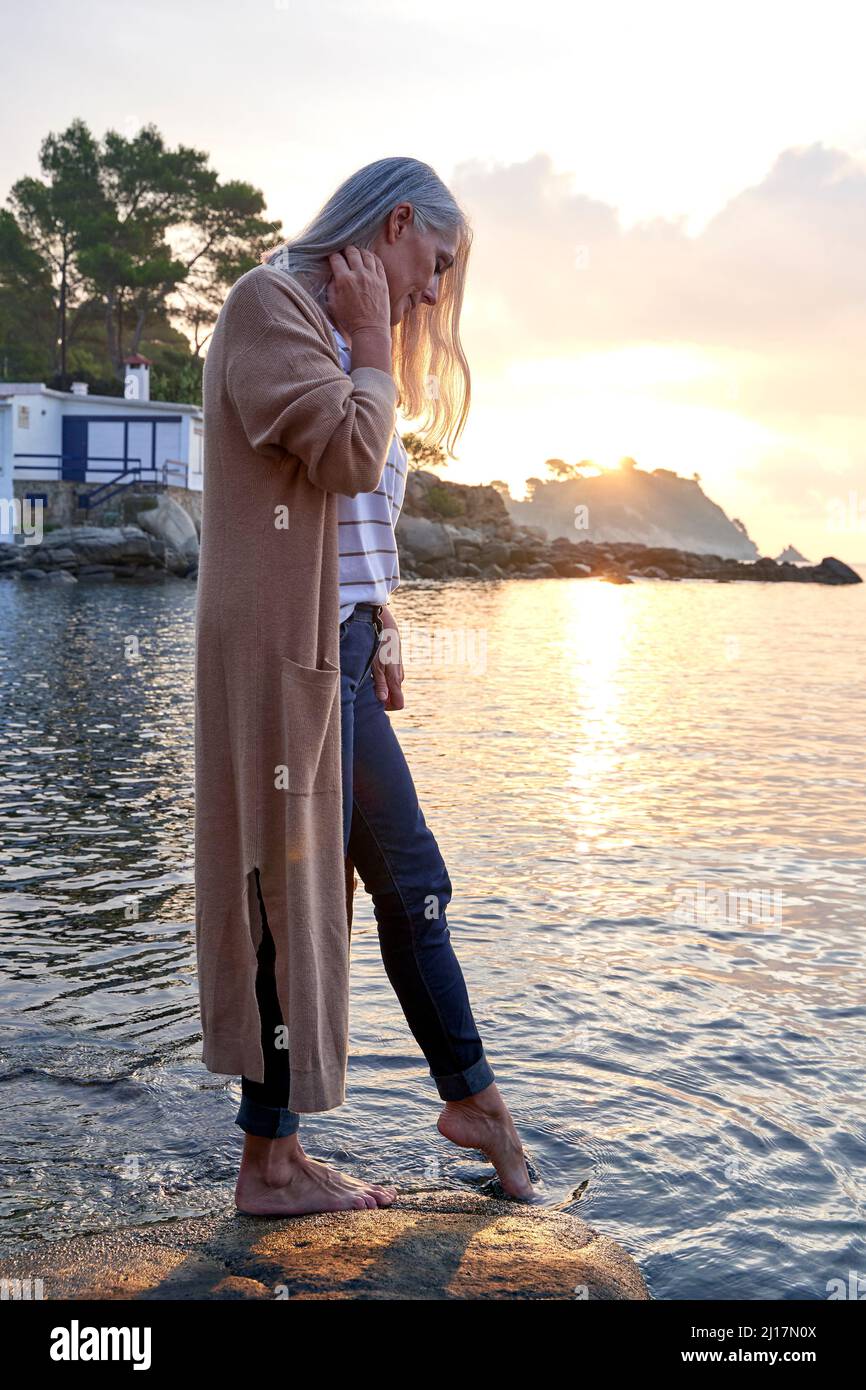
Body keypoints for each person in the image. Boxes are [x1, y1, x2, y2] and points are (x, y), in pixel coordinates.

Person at [195, 158, 534, 1217]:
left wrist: (383, 619)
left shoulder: (335, 325)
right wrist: (377, 347)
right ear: (394, 225)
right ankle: (276, 1164)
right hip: (281, 657)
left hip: (337, 645)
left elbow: (357, 521)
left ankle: (464, 1104)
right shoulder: (271, 304)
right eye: (432, 263)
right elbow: (344, 451)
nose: (433, 293)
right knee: (288, 897)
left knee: (405, 880)